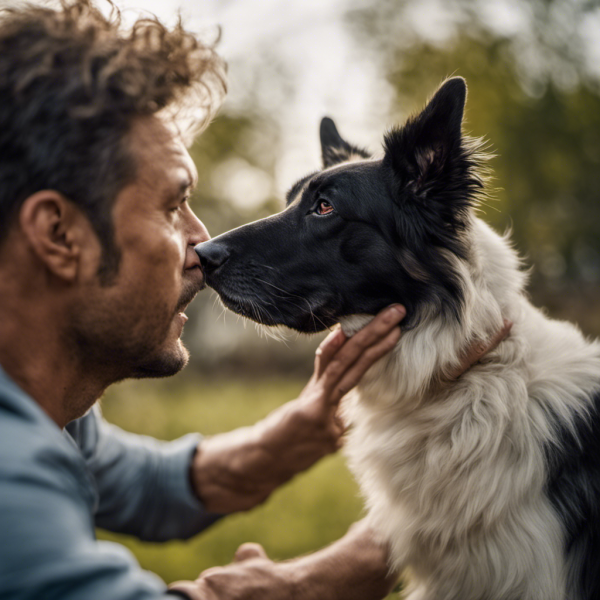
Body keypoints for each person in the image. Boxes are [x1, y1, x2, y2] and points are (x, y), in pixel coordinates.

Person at [0, 2, 511, 599]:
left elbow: (142, 486)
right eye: (172, 207)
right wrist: (365, 555)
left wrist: (307, 423)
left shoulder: (46, 410)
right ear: (59, 235)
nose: (203, 241)